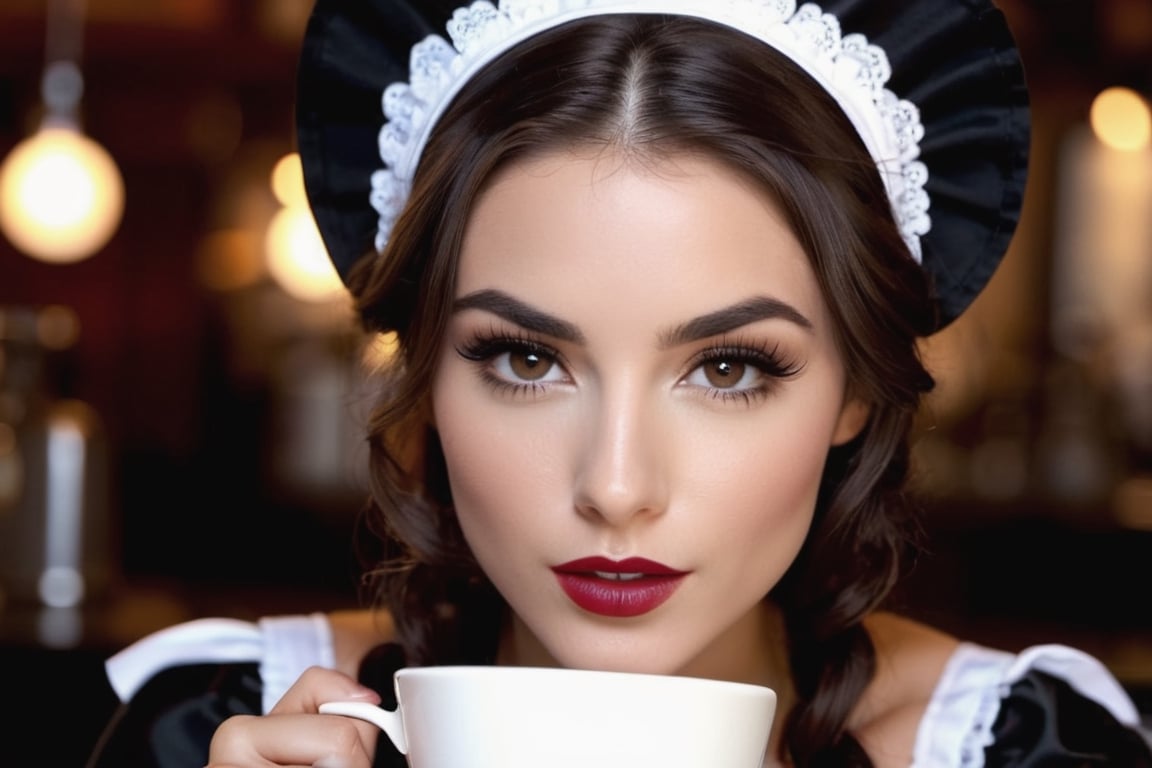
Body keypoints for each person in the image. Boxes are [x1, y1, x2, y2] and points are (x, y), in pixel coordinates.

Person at [88, 1, 1152, 766]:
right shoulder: (225, 727)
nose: (615, 485)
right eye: (528, 359)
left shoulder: (1017, 746)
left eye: (728, 368)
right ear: (420, 374)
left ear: (858, 390)